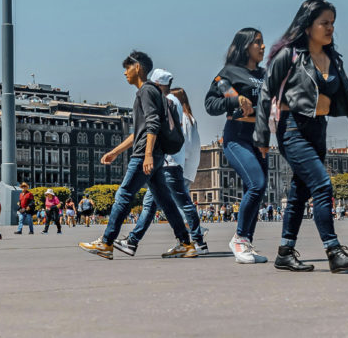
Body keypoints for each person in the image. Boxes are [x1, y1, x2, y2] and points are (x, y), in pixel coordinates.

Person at [259, 0, 348, 273]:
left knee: (300, 192)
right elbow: (265, 93)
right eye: (324, 23)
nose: (330, 28)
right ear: (308, 26)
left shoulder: (333, 59)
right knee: (322, 185)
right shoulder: (289, 55)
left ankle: (285, 252)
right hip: (292, 129)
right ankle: (334, 251)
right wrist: (261, 139)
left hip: (318, 130)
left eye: (332, 23)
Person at [79, 50, 197, 260]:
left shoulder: (146, 91)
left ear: (138, 68)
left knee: (124, 194)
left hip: (145, 153)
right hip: (155, 153)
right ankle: (186, 244)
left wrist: (148, 154)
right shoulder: (153, 92)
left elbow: (152, 123)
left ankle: (106, 242)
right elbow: (139, 132)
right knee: (165, 201)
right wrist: (115, 152)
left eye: (127, 68)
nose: (125, 72)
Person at [116, 69, 207, 257]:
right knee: (154, 204)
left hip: (168, 163)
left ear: (157, 84)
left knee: (173, 204)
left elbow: (156, 130)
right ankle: (135, 241)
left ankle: (195, 241)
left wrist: (151, 154)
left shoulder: (167, 103)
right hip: (170, 163)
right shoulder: (179, 108)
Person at [205, 28, 270, 264]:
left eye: (263, 42)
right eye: (257, 42)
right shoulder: (229, 73)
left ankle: (246, 244)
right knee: (256, 184)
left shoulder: (264, 74)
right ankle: (239, 238)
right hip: (237, 136)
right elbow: (210, 104)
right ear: (245, 46)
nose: (263, 46)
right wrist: (235, 100)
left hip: (260, 137)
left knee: (257, 190)